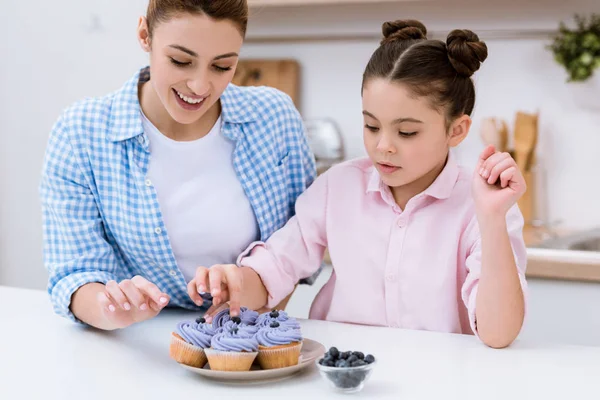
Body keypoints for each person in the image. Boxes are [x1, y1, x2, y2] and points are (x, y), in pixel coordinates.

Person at [193, 20, 528, 349]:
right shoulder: (338, 187)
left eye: (406, 132)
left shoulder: (482, 207)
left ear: (456, 130)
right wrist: (236, 282)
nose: (383, 146)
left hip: (440, 377)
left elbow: (498, 333)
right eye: (371, 126)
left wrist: (492, 220)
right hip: (343, 372)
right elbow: (278, 265)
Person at [40, 0, 316, 330]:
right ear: (145, 35)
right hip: (135, 347)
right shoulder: (81, 133)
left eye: (222, 67)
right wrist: (110, 307)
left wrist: (251, 296)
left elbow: (304, 240)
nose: (200, 86)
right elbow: (73, 273)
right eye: (180, 61)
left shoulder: (274, 118)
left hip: (252, 340)